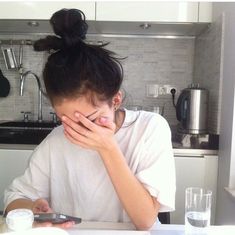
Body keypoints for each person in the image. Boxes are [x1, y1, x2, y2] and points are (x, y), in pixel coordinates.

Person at [4, 8, 176, 230]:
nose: (79, 130)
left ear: (116, 100)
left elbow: (145, 220)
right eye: (66, 120)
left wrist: (108, 148)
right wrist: (32, 208)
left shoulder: (149, 129)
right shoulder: (57, 140)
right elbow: (13, 198)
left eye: (91, 119)